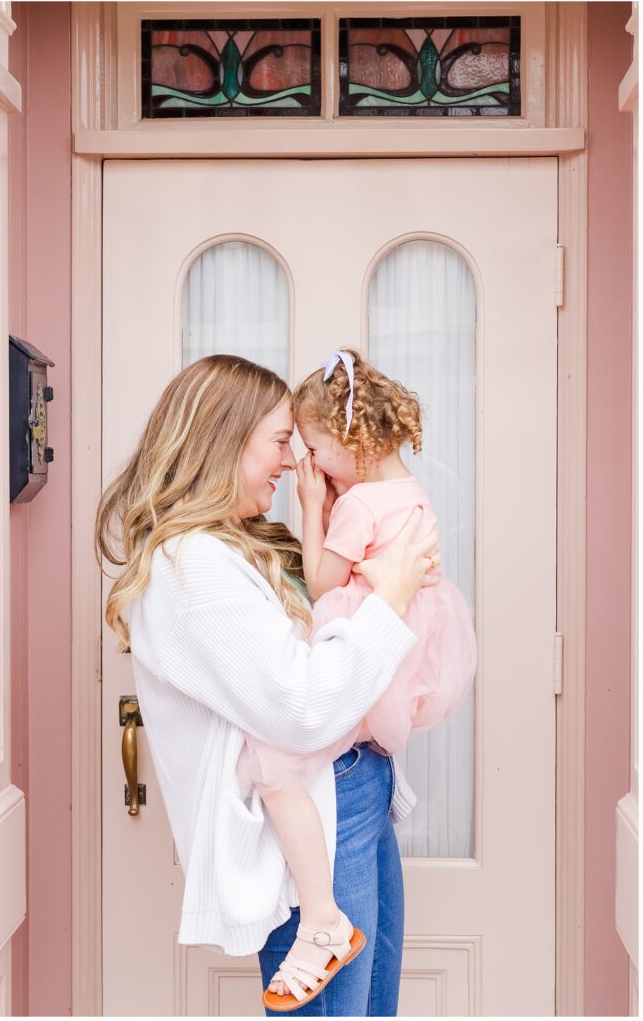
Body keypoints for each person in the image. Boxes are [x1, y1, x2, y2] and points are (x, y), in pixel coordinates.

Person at [94, 354, 441, 1017]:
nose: (292, 464)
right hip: (315, 820)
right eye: (281, 442)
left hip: (352, 792)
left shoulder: (229, 543)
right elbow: (301, 708)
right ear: (225, 441)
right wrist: (388, 599)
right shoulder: (190, 568)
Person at [239, 349, 477, 1011]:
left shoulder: (355, 506)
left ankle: (319, 916)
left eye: (312, 449)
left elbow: (321, 585)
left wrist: (314, 508)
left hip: (359, 636)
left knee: (281, 758)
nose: (306, 466)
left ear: (347, 440)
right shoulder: (411, 490)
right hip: (408, 644)